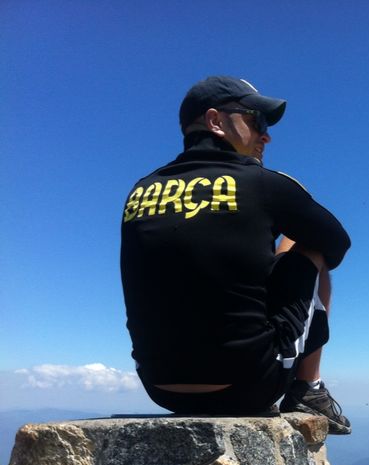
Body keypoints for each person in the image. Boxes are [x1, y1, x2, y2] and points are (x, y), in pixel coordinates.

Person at [120, 75, 351, 433]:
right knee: (308, 243)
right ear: (215, 121)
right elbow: (336, 243)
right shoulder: (266, 184)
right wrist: (281, 258)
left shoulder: (140, 191)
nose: (266, 135)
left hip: (160, 388)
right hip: (248, 385)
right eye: (256, 121)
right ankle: (310, 388)